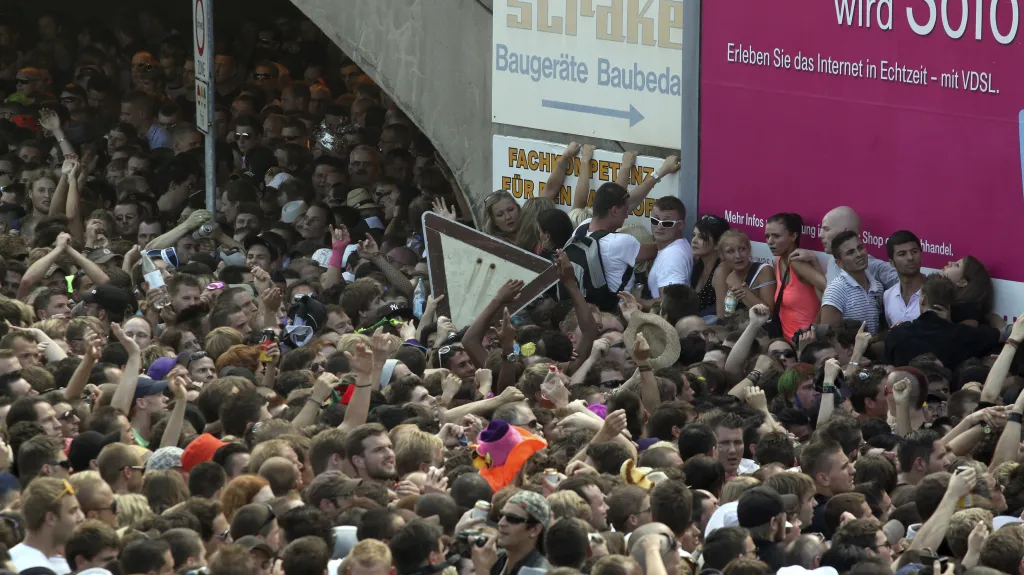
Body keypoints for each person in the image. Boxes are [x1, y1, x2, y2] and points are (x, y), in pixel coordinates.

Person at [766, 213, 824, 341]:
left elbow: (831, 291)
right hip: (785, 341)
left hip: (805, 342)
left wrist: (816, 327)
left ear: (793, 236)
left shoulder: (798, 263)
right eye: (767, 236)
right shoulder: (777, 261)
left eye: (776, 236)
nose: (770, 242)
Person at [11, 477, 85, 574]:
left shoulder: (12, 557)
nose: (82, 517)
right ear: (50, 518)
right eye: (72, 511)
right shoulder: (33, 570)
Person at [819, 231, 885, 334]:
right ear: (839, 263)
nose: (859, 254)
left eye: (860, 247)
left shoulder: (878, 287)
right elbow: (827, 336)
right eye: (850, 252)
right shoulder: (836, 290)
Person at [713, 229, 775, 320]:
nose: (738, 256)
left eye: (742, 249)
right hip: (733, 329)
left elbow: (769, 314)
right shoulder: (723, 272)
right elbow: (722, 316)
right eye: (730, 251)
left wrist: (740, 288)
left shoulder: (764, 270)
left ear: (749, 249)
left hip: (761, 330)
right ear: (722, 255)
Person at [647, 196, 692, 300]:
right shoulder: (677, 245)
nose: (659, 226)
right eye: (655, 220)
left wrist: (637, 302)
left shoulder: (672, 256)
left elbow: (670, 302)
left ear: (680, 225)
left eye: (667, 223)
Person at [689, 214, 729, 317]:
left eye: (702, 237)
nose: (694, 241)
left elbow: (722, 317)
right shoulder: (699, 263)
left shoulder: (722, 270)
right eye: (693, 235)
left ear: (717, 245)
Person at [884, 230, 924, 326]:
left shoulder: (936, 292)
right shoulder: (888, 296)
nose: (910, 257)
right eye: (902, 254)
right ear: (891, 262)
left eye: (914, 251)